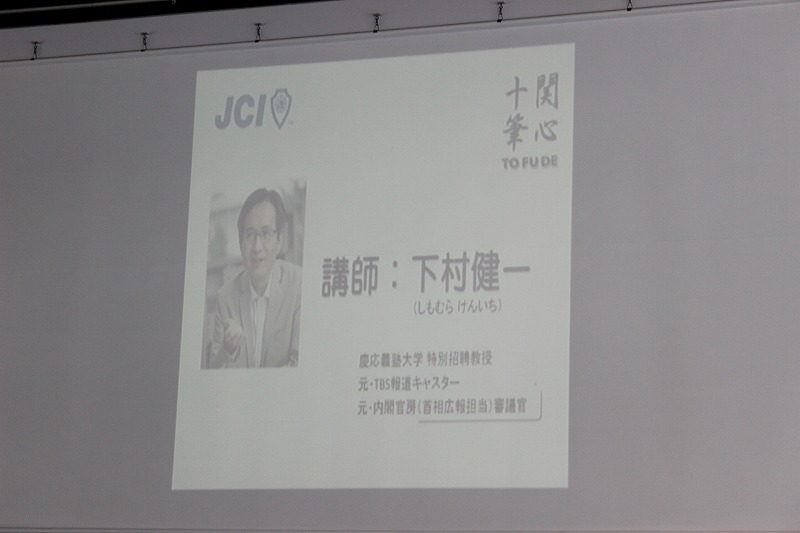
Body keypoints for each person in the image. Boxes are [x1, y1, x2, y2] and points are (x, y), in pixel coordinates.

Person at [208, 188, 301, 368]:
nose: (257, 247)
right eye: (250, 235)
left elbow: (299, 363)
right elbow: (213, 371)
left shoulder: (299, 285)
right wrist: (227, 348)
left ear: (279, 240)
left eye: (266, 233)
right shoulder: (225, 297)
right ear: (240, 242)